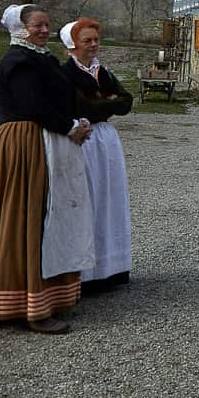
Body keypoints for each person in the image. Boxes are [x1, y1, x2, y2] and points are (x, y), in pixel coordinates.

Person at [0, 4, 95, 335]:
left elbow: (58, 97)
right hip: (25, 142)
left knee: (42, 216)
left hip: (41, 139)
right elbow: (33, 106)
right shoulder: (18, 61)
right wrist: (70, 126)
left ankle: (33, 296)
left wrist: (78, 119)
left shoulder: (39, 58)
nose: (44, 30)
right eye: (36, 25)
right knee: (29, 217)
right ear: (20, 27)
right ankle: (30, 306)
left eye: (47, 24)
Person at [60, 18, 134, 291]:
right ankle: (86, 273)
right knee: (87, 198)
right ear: (72, 45)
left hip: (106, 140)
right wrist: (108, 103)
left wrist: (104, 104)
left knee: (110, 196)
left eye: (95, 40)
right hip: (84, 138)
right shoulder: (65, 74)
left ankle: (111, 268)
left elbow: (127, 101)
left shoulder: (102, 71)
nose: (93, 45)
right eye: (86, 41)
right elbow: (81, 107)